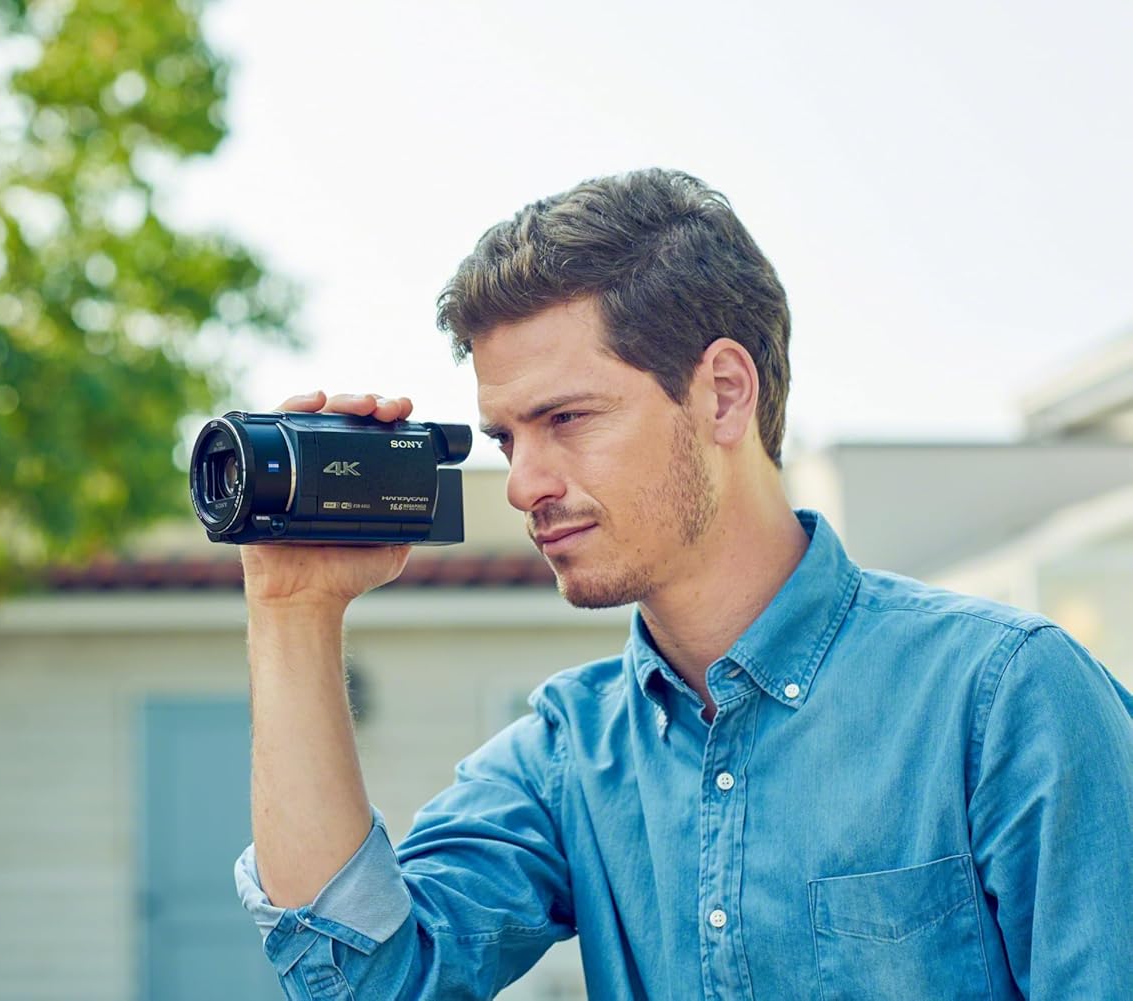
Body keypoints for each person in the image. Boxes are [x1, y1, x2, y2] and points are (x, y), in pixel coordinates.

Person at [231, 168, 1133, 999]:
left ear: (724, 393)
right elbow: (364, 978)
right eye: (509, 437)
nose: (522, 484)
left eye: (567, 418)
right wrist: (291, 609)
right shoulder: (568, 757)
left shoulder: (1005, 698)